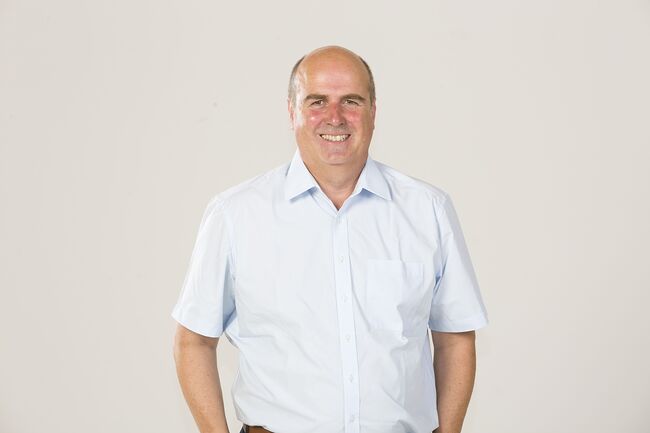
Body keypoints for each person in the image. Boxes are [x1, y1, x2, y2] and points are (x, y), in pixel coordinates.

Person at [171, 45, 488, 433]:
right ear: (292, 111)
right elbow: (193, 341)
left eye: (351, 101)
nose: (334, 117)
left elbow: (455, 337)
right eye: (317, 101)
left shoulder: (428, 210)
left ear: (373, 112)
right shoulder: (234, 215)